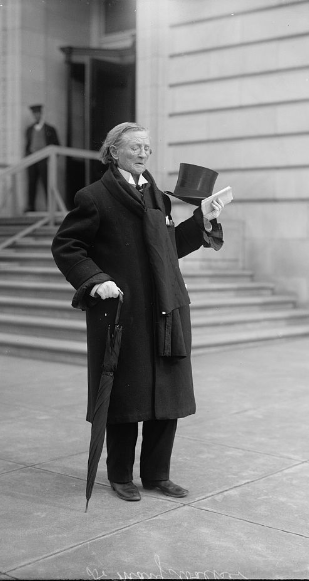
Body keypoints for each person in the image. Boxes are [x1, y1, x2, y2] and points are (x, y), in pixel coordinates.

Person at [51, 122, 225, 503]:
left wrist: (203, 219)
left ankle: (157, 475)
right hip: (122, 312)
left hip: (167, 307)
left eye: (147, 147)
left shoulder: (158, 196)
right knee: (125, 396)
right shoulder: (94, 197)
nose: (144, 153)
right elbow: (66, 246)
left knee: (167, 394)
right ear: (114, 152)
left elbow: (171, 247)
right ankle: (120, 476)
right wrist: (96, 279)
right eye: (135, 147)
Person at [24, 104, 60, 212]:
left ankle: (50, 207)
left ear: (41, 113)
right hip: (32, 159)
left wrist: (50, 159)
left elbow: (57, 145)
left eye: (37, 113)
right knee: (31, 183)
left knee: (47, 183)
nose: (36, 116)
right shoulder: (29, 129)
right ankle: (31, 206)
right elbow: (28, 145)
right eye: (34, 114)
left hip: (44, 160)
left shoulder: (50, 129)